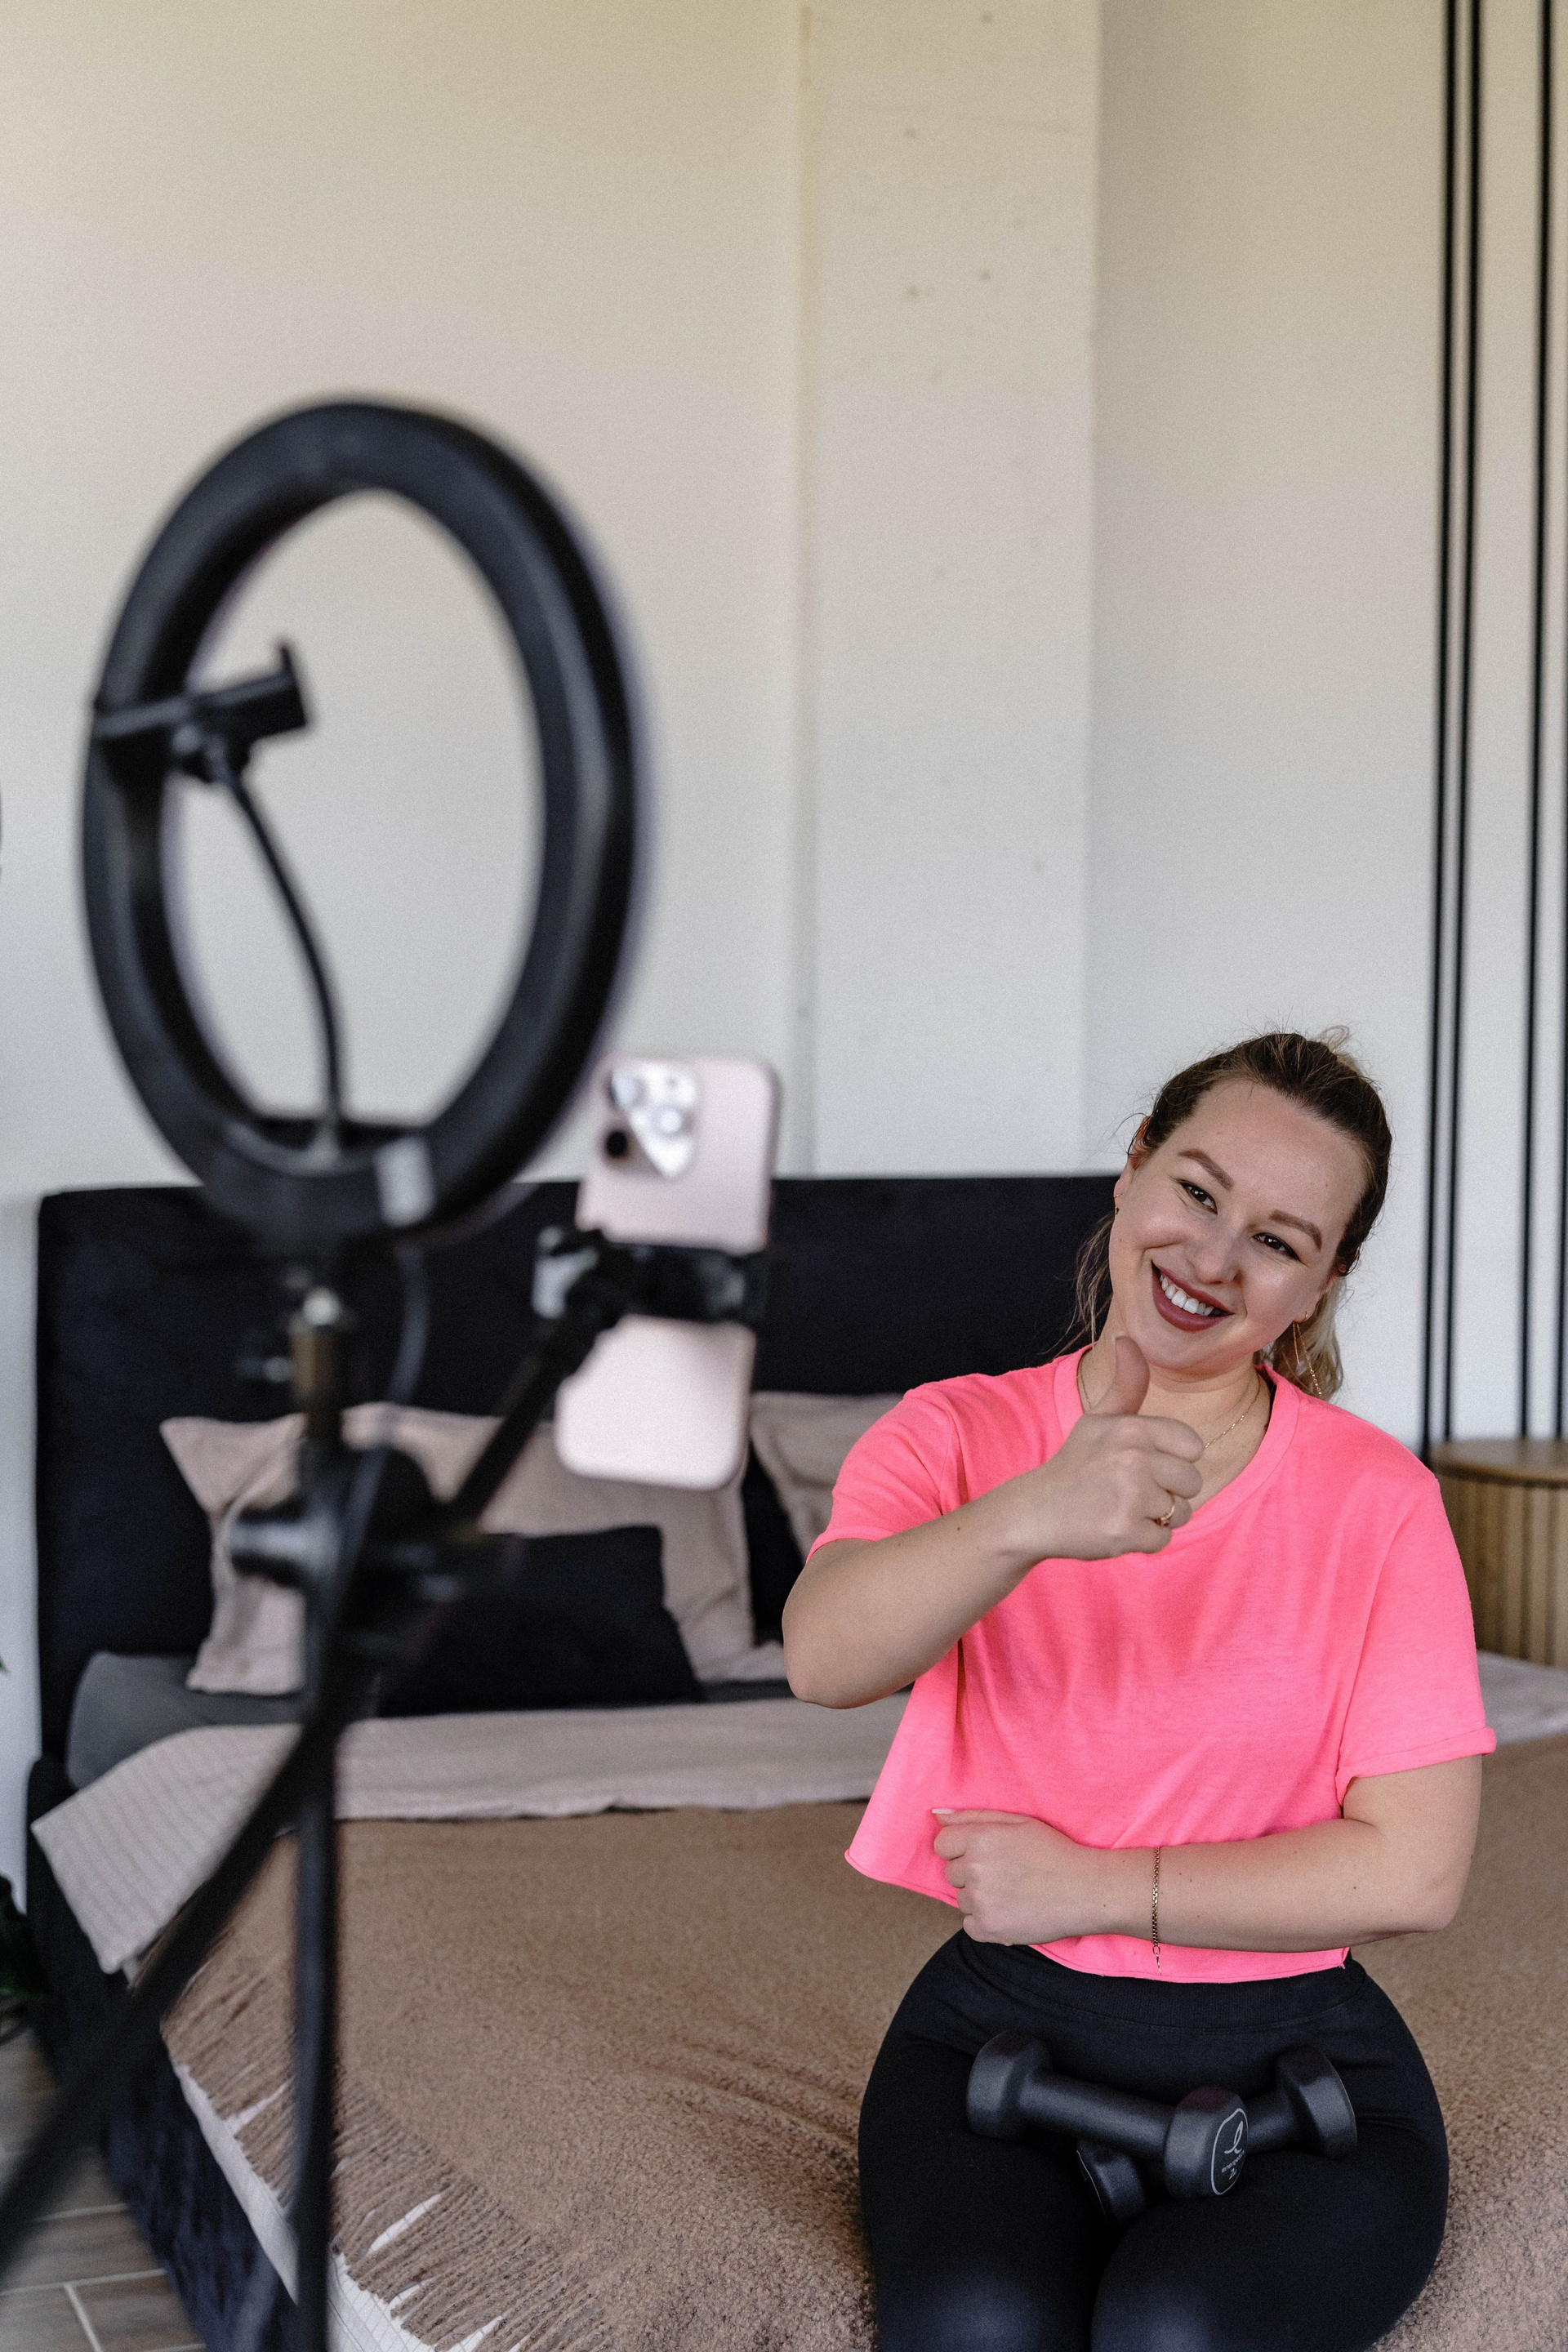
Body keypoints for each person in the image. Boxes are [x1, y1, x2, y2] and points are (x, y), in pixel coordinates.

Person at [782, 1032, 1492, 2352]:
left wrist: (1100, 1886)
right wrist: (1029, 1516)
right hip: (996, 2049)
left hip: (1304, 2074)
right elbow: (824, 1659)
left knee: (1181, 2325)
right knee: (979, 2316)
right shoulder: (954, 1434)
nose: (1213, 1258)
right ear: (1133, 1171)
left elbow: (1416, 1874)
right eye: (1198, 1191)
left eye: (1277, 1241)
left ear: (1323, 1282)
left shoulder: (1381, 1502)